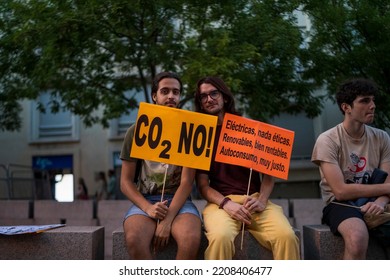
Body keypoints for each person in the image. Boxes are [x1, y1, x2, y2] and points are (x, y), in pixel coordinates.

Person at [194, 76, 300, 260]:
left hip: (255, 201)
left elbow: (268, 176)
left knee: (287, 237)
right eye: (203, 96)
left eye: (213, 93)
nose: (209, 99)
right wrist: (227, 204)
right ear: (201, 104)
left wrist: (263, 200)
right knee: (220, 238)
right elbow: (203, 186)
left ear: (224, 97)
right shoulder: (201, 136)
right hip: (220, 204)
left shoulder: (248, 128)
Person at [120, 71, 202, 260]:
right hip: (145, 200)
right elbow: (125, 182)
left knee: (190, 240)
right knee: (134, 239)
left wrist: (167, 221)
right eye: (165, 91)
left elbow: (187, 182)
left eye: (176, 92)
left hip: (180, 201)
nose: (171, 96)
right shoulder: (136, 130)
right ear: (154, 96)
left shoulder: (190, 129)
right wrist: (147, 208)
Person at [311, 77, 390, 259]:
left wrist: (380, 202)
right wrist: (386, 189)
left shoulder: (382, 137)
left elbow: (388, 180)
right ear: (346, 107)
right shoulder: (327, 140)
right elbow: (340, 191)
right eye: (364, 101)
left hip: (378, 201)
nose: (372, 105)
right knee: (357, 237)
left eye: (373, 100)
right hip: (340, 205)